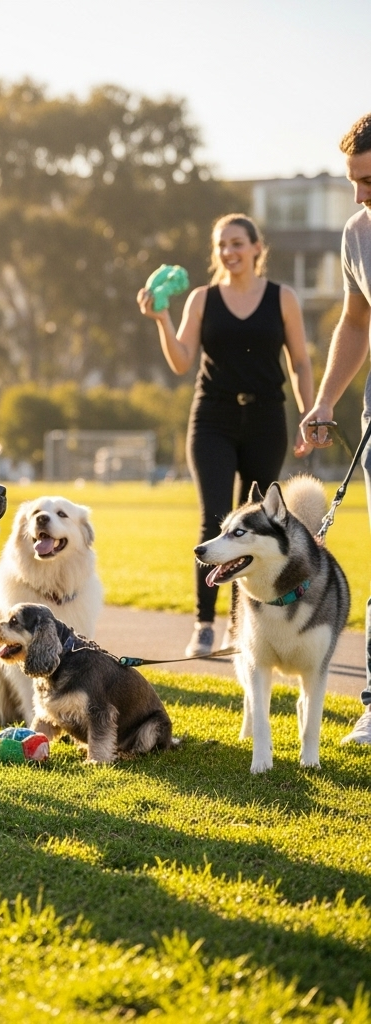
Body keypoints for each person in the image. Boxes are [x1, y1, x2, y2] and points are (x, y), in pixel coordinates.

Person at [138, 214, 314, 656]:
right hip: (212, 419)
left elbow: (300, 363)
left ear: (257, 247)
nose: (229, 252)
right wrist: (161, 317)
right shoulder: (202, 299)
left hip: (266, 419)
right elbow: (181, 361)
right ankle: (203, 625)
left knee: (254, 525)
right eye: (222, 246)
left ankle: (241, 627)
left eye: (238, 243)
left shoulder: (283, 298)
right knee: (214, 516)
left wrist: (311, 411)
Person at [297, 112, 371, 745]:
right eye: (354, 182)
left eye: (370, 181)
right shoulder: (357, 233)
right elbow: (354, 323)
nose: (360, 195)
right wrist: (325, 400)